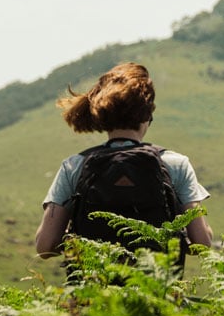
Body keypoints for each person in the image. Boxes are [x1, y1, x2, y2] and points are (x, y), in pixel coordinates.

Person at [34, 62, 213, 260]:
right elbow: (202, 243)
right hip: (156, 287)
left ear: (101, 114)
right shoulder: (175, 164)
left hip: (93, 287)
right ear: (148, 114)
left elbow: (45, 246)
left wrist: (73, 242)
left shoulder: (74, 166)